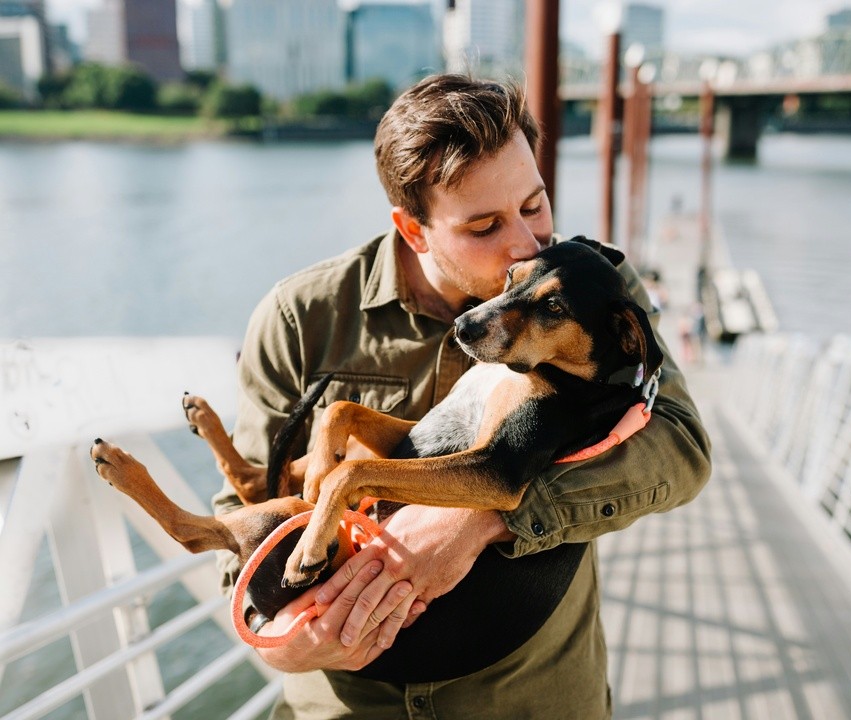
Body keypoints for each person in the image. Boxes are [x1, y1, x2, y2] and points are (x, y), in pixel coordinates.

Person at [213, 74, 711, 720]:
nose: (526, 245)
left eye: (535, 205)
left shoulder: (594, 286)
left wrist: (482, 514)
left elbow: (682, 445)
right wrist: (283, 639)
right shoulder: (297, 318)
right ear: (412, 230)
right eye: (483, 226)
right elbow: (237, 526)